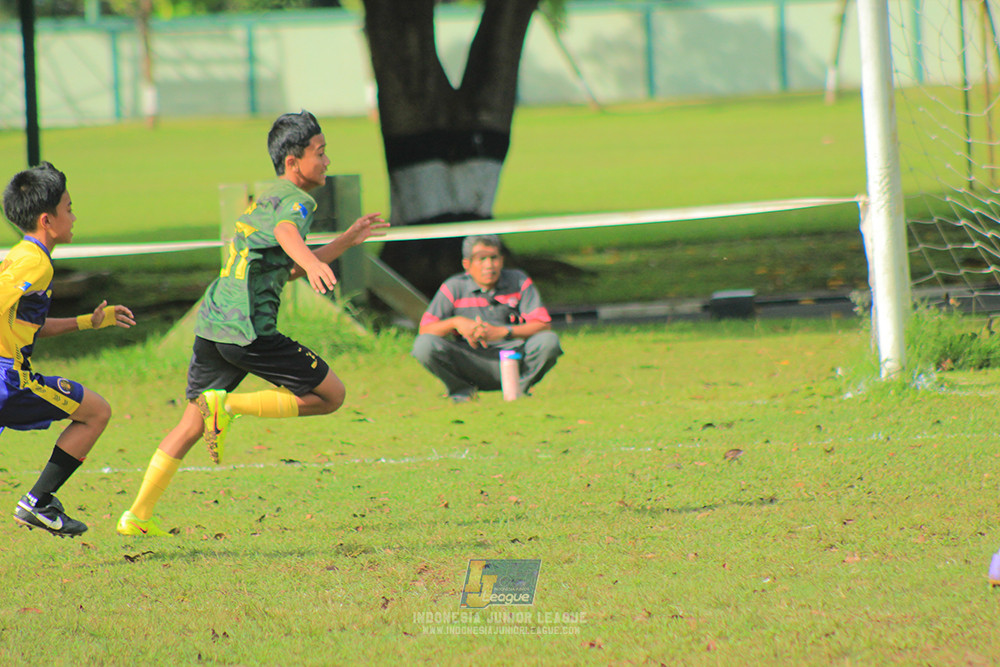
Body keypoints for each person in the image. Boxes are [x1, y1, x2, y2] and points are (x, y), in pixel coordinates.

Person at [116, 110, 387, 537]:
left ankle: (137, 514)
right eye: (321, 152)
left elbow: (287, 267)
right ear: (293, 162)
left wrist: (345, 241)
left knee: (190, 423)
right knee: (332, 395)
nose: (327, 161)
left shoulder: (267, 196)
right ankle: (232, 406)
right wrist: (313, 259)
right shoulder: (297, 202)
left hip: (214, 322)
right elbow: (285, 233)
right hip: (248, 330)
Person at [1, 162, 136, 537]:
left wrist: (89, 322)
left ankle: (39, 502)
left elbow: (27, 326)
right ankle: (38, 502)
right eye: (69, 208)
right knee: (96, 412)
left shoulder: (23, 256)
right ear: (47, 219)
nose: (74, 217)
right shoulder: (34, 263)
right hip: (9, 378)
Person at [412, 234, 562, 402]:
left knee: (549, 341)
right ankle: (462, 391)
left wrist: (504, 332)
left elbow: (543, 325)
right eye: (481, 259)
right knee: (424, 345)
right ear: (466, 265)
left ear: (502, 260)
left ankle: (518, 390)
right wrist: (456, 322)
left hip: (514, 357)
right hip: (471, 361)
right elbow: (425, 329)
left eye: (494, 258)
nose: (489, 265)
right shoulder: (453, 286)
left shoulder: (519, 281)